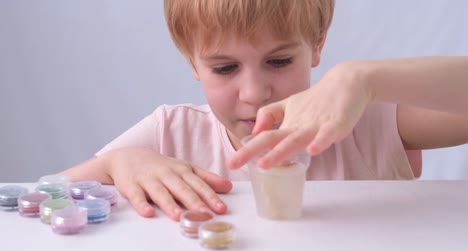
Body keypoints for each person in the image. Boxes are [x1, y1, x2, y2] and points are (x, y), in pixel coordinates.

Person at [61, 0, 468, 221]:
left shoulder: (369, 121)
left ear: (317, 44)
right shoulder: (170, 133)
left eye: (278, 61)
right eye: (224, 68)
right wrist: (118, 162)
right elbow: (38, 199)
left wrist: (363, 78)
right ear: (191, 62)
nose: (255, 94)